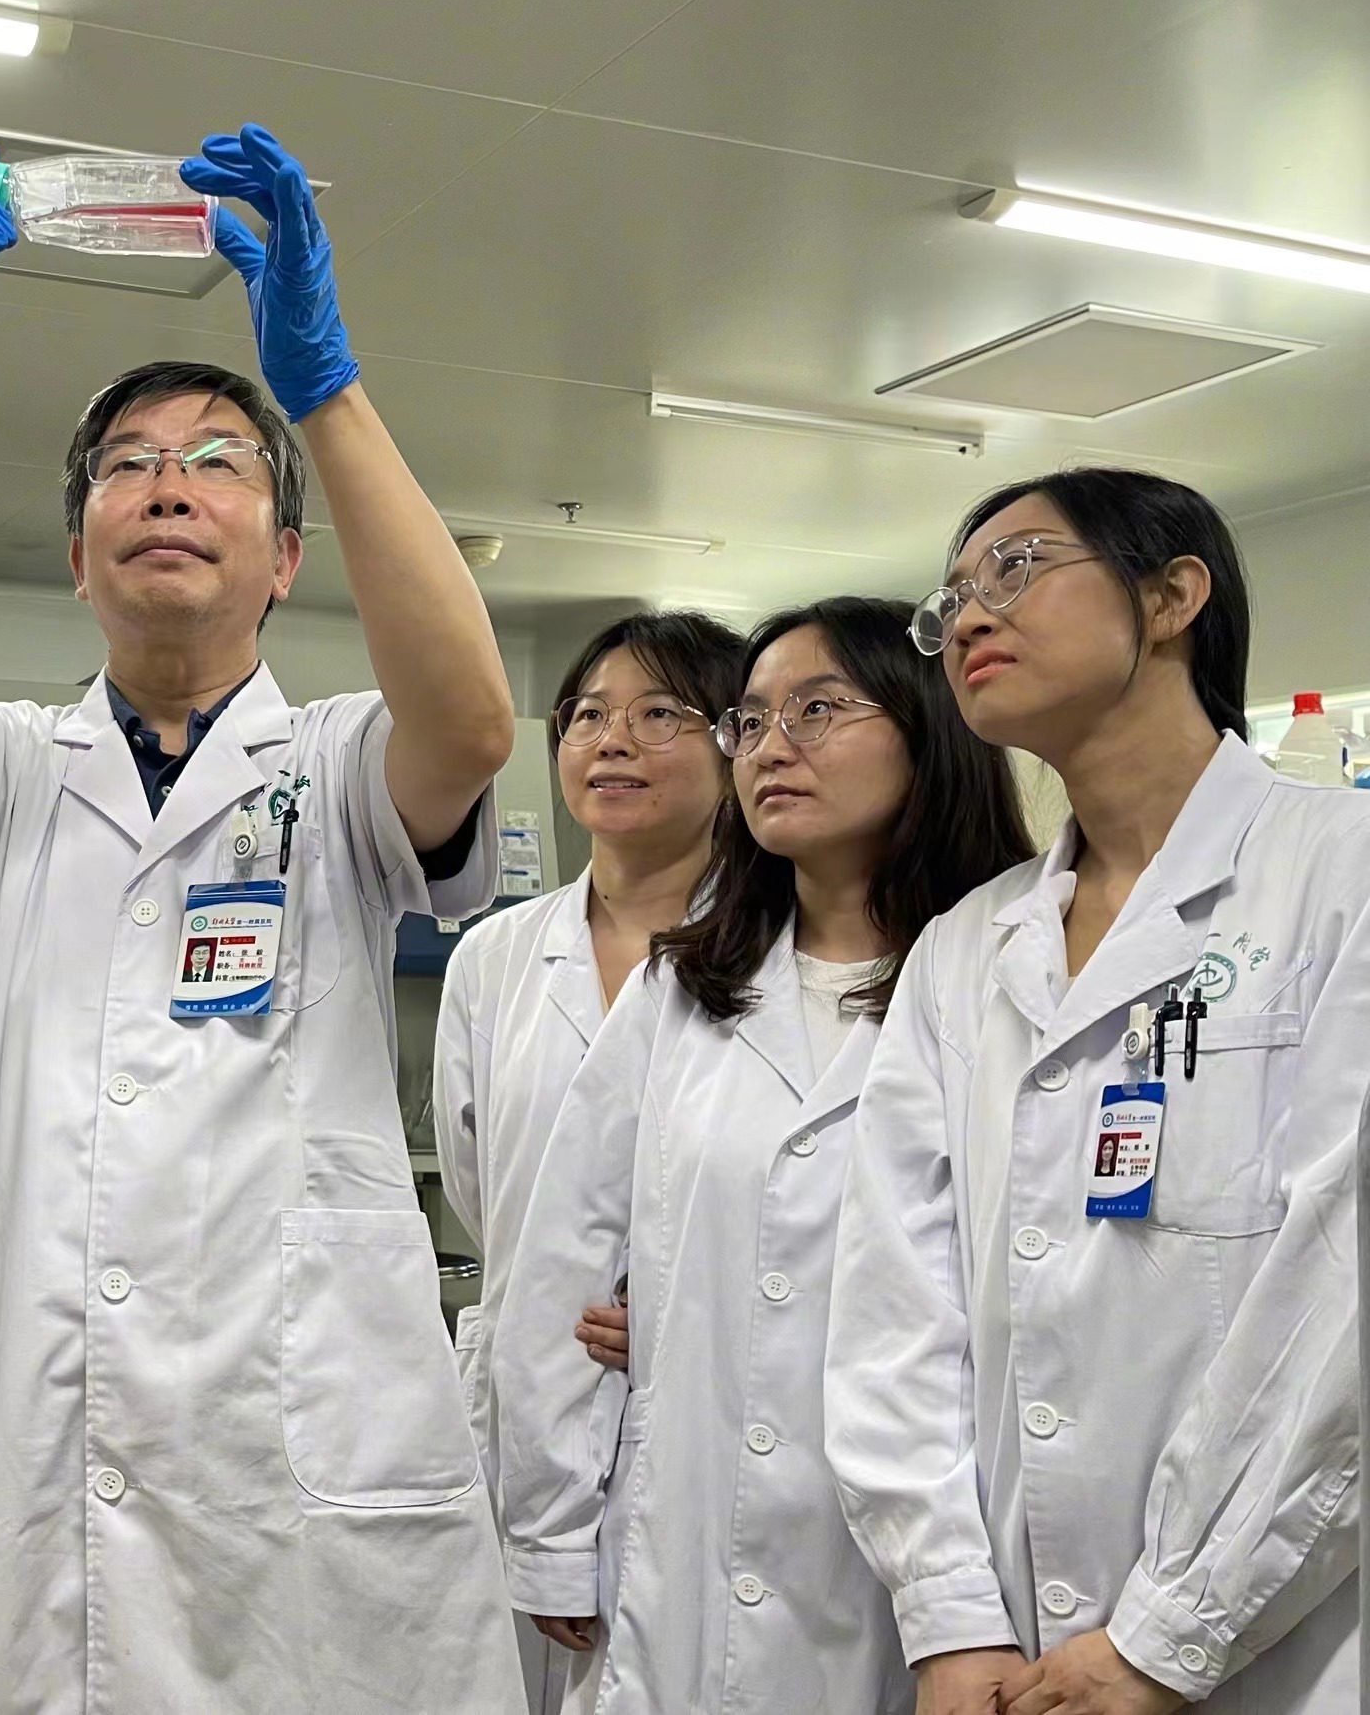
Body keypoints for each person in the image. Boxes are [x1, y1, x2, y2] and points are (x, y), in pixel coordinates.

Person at [0, 127, 528, 1713]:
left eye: (218, 461)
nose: (168, 484)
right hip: (25, 1451)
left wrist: (323, 388)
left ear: (284, 557)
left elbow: (467, 722)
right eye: (124, 463)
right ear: (74, 555)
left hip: (286, 1468)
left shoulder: (333, 770)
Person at [828, 471, 1370, 1715]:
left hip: (1287, 1638)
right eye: (951, 598)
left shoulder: (1341, 876)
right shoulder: (968, 947)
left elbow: (1344, 1291)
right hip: (1010, 1658)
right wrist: (949, 1614)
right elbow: (894, 1305)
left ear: (1172, 596)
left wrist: (1170, 1632)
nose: (969, 616)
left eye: (1015, 568)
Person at [494, 597, 1031, 1712]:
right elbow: (565, 1258)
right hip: (681, 1542)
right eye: (749, 721)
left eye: (818, 709)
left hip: (931, 1560)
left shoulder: (1006, 980)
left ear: (928, 728)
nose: (771, 746)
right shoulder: (684, 987)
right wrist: (550, 1528)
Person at [432, 610, 747, 1713]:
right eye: (587, 716)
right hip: (526, 1419)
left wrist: (677, 1301)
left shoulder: (783, 952)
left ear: (734, 743)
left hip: (713, 1413)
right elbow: (490, 1193)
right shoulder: (496, 958)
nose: (612, 741)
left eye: (659, 714)